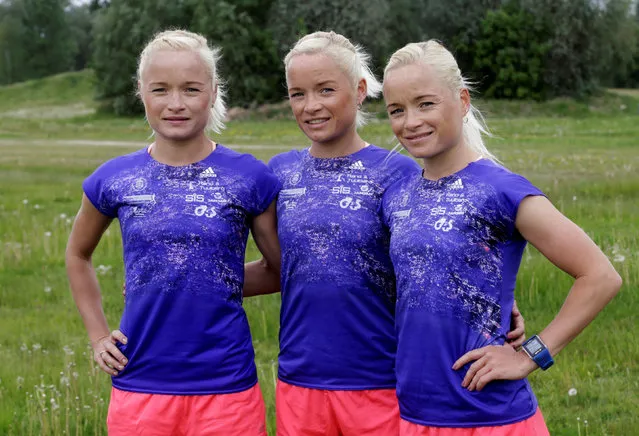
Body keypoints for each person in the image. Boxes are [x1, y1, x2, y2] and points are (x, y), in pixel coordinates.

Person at [244, 31, 526, 436]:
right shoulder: (279, 173)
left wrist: (500, 302)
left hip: (382, 382)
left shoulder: (399, 174)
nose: (311, 105)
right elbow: (284, 267)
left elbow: (443, 253)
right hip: (300, 381)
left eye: (325, 90)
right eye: (297, 94)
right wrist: (194, 278)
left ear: (360, 91)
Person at [380, 40, 622, 435]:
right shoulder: (397, 195)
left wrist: (531, 354)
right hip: (414, 412)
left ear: (461, 101)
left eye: (425, 104)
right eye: (396, 110)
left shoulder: (502, 190)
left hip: (490, 416)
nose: (410, 121)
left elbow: (600, 275)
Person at [65, 29, 280, 436]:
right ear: (141, 93)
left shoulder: (250, 178)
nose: (175, 104)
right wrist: (97, 336)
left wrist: (199, 280)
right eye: (160, 90)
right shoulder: (114, 178)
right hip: (140, 384)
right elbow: (77, 255)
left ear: (213, 92)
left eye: (191, 89)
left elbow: (280, 269)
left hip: (226, 389)